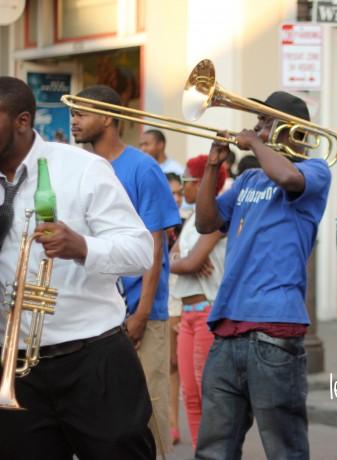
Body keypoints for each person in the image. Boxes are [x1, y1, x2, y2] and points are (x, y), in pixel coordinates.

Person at [0, 77, 156, 459]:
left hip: (94, 361)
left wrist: (82, 246)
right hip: (16, 367)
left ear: (22, 121)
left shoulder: (83, 168)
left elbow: (140, 251)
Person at [194, 91, 331, 459]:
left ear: (291, 131)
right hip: (227, 329)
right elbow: (206, 221)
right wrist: (212, 167)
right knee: (212, 451)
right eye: (257, 122)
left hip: (275, 329)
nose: (254, 127)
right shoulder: (249, 180)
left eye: (265, 121)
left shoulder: (315, 171)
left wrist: (255, 142)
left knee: (284, 451)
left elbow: (288, 176)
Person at [70, 85, 181, 456]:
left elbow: (156, 242)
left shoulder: (142, 167)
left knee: (148, 408)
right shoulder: (82, 167)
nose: (74, 121)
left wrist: (143, 312)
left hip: (140, 315)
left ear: (108, 117)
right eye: (73, 114)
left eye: (81, 113)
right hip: (99, 315)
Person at [169, 154, 227, 449]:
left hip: (207, 311)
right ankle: (200, 453)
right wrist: (185, 261)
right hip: (188, 313)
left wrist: (187, 261)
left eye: (188, 182)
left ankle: (216, 453)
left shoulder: (215, 215)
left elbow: (187, 262)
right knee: (189, 394)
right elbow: (174, 258)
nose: (185, 188)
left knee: (207, 394)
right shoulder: (192, 219)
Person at [165, 172, 185, 444]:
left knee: (182, 365)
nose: (176, 198)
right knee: (170, 364)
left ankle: (179, 423)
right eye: (171, 193)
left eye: (179, 193)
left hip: (185, 300)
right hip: (166, 300)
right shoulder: (155, 225)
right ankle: (170, 422)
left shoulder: (190, 224)